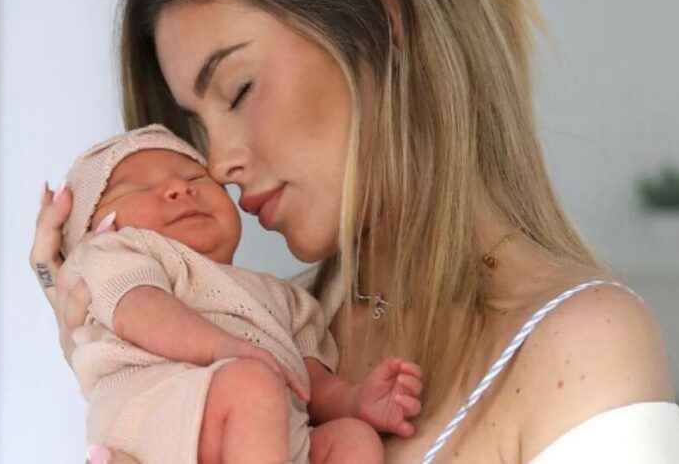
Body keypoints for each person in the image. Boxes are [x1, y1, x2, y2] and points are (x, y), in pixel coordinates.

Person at [30, 0, 679, 462]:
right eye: (196, 130)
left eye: (238, 90)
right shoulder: (257, 339)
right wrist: (100, 341)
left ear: (381, 21)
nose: (219, 164)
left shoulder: (578, 347)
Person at [59, 124, 422, 463]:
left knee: (353, 439)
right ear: (94, 230)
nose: (178, 188)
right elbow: (138, 310)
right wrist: (221, 347)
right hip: (156, 417)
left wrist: (355, 400)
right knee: (253, 384)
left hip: (264, 433)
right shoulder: (114, 252)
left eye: (195, 176)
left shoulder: (284, 296)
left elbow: (310, 383)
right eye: (136, 188)